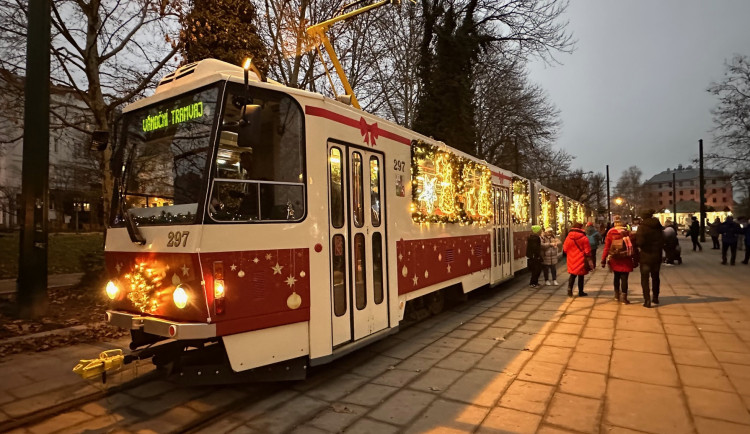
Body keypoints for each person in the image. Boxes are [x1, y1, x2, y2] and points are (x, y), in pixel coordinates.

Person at [601, 216, 638, 304]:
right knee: (624, 278)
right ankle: (624, 297)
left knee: (616, 277)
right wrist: (636, 259)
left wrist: (603, 259)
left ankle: (616, 295)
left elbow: (606, 247)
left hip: (615, 258)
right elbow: (634, 247)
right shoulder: (628, 233)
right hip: (626, 258)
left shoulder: (610, 233)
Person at [635, 209, 664, 307]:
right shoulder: (658, 226)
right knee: (655, 277)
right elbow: (663, 239)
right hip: (657, 255)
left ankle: (647, 300)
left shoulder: (642, 227)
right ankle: (655, 297)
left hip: (646, 256)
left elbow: (640, 242)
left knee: (645, 278)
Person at [563, 222, 591, 297]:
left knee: (572, 275)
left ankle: (569, 291)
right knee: (581, 276)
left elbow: (565, 249)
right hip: (581, 259)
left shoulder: (568, 237)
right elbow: (587, 251)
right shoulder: (584, 238)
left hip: (571, 259)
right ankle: (580, 292)